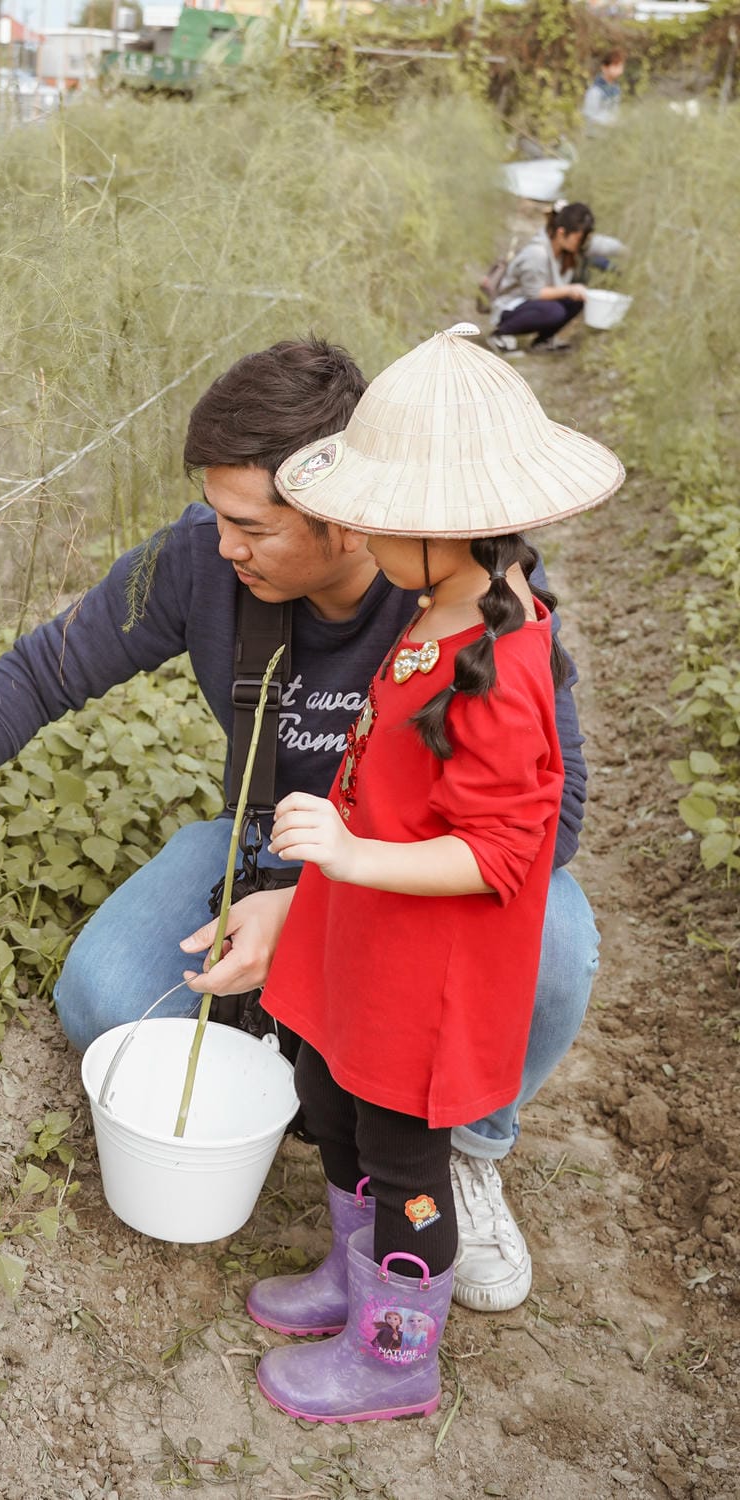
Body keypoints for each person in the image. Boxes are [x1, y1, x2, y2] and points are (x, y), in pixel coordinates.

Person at [0, 336, 601, 1315]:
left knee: (555, 946)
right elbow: (45, 670)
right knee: (107, 997)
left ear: (349, 521)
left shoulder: (469, 589)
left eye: (252, 527)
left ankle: (462, 1146)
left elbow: (547, 825)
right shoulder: (200, 562)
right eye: (219, 519)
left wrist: (314, 904)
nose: (223, 546)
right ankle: (319, 1071)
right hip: (265, 845)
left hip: (407, 875)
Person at [241, 323, 624, 1425]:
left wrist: (355, 850)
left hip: (429, 972)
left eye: (380, 515)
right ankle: (349, 1281)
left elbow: (504, 850)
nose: (354, 530)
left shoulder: (502, 663)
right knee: (337, 1106)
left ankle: (396, 1352)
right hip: (366, 941)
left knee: (408, 1157)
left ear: (450, 530)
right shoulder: (436, 609)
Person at [488, 202, 597, 356]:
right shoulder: (537, 254)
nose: (581, 243)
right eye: (579, 238)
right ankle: (501, 335)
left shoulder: (564, 254)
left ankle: (543, 341)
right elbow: (534, 293)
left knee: (577, 299)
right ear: (561, 232)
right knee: (555, 310)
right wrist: (569, 289)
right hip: (510, 306)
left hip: (531, 303)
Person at [582, 49, 626, 131]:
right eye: (615, 66)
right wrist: (609, 122)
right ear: (604, 68)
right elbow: (589, 117)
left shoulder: (616, 88)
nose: (619, 70)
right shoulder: (595, 91)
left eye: (620, 66)